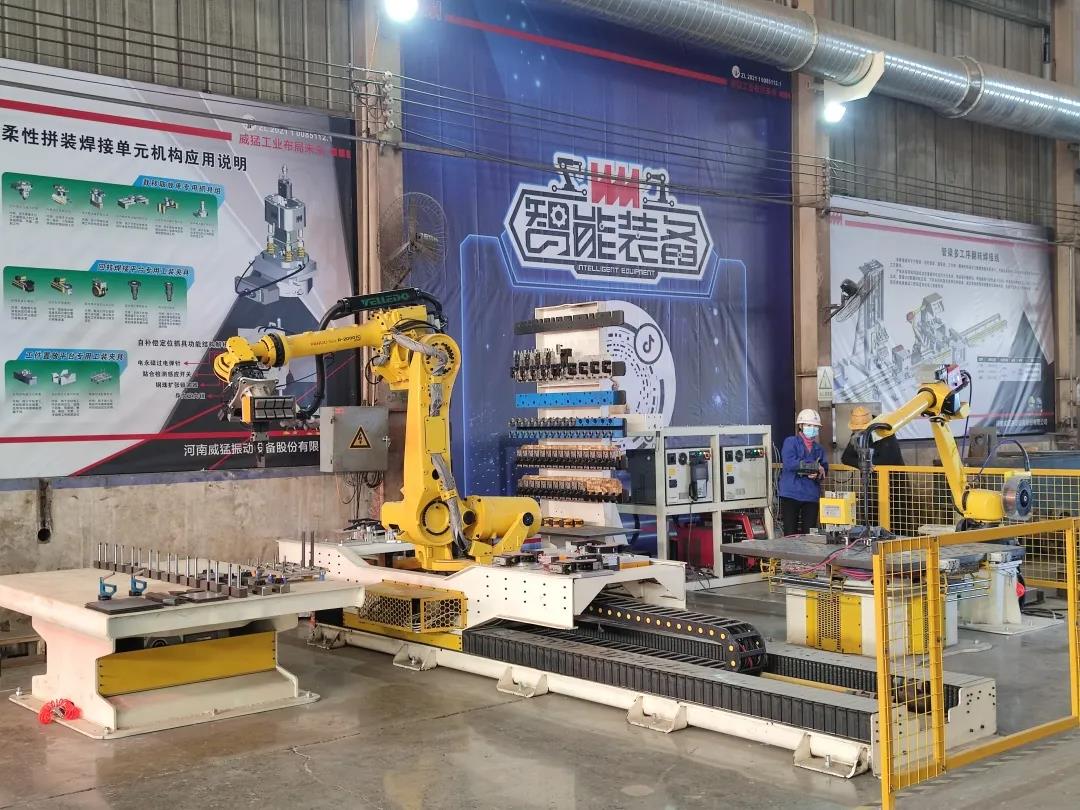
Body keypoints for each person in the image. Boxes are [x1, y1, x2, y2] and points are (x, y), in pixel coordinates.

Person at [840, 406, 907, 529]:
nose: (858, 432)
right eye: (856, 429)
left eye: (861, 429)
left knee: (896, 522)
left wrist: (868, 464)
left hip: (895, 486)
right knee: (871, 520)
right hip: (871, 487)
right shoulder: (858, 434)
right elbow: (846, 457)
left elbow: (887, 460)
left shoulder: (885, 432)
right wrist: (863, 465)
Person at [778, 409, 828, 536]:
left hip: (811, 495)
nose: (813, 428)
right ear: (800, 425)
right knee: (790, 533)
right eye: (809, 425)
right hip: (791, 493)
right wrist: (814, 467)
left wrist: (817, 474)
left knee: (810, 534)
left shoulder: (819, 449)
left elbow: (824, 469)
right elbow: (790, 463)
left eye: (815, 426)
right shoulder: (791, 442)